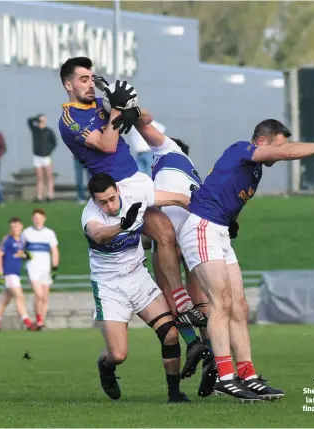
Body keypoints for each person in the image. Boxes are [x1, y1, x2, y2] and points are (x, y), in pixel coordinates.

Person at [179, 119, 314, 401]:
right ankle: (225, 377)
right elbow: (284, 153)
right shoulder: (241, 149)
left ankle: (247, 375)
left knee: (240, 305)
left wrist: (232, 220)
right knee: (221, 302)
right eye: (279, 143)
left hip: (219, 230)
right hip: (203, 226)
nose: (282, 151)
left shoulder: (255, 172)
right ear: (262, 141)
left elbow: (229, 195)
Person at [57, 56, 205, 327]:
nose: (90, 84)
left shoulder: (100, 103)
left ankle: (184, 312)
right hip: (116, 189)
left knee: (171, 229)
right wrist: (116, 109)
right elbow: (107, 145)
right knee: (166, 227)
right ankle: (183, 302)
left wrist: (133, 112)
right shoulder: (69, 119)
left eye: (91, 78)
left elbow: (147, 118)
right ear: (68, 85)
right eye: (83, 79)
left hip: (137, 179)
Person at [82, 173, 189, 402]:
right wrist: (123, 225)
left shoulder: (134, 195)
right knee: (119, 354)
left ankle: (174, 394)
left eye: (112, 198)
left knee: (170, 334)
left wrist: (214, 214)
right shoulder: (90, 215)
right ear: (93, 200)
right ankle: (106, 365)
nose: (109, 205)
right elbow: (98, 235)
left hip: (138, 277)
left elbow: (176, 199)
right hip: (109, 286)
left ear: (118, 190)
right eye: (102, 202)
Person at [133, 117, 213, 392]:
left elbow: (147, 222)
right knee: (201, 298)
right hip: (197, 231)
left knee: (169, 291)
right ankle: (212, 352)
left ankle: (192, 342)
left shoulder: (166, 155)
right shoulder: (194, 174)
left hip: (171, 227)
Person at [0, 217, 33, 331]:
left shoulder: (20, 241)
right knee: (20, 296)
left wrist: (25, 255)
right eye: (12, 227)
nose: (14, 229)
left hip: (15, 273)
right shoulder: (8, 240)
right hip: (9, 273)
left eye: (17, 226)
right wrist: (0, 272)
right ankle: (28, 323)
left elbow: (17, 254)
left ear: (21, 226)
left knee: (5, 300)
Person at [22, 208, 60, 331]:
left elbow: (54, 250)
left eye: (39, 218)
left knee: (44, 297)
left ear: (44, 218)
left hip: (45, 267)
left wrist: (54, 267)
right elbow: (20, 250)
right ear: (32, 219)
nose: (37, 220)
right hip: (32, 267)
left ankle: (40, 321)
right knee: (38, 295)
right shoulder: (27, 233)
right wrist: (25, 255)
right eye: (35, 218)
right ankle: (39, 320)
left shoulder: (49, 233)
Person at [27, 114, 57, 202]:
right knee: (39, 177)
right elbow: (29, 121)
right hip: (37, 157)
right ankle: (39, 196)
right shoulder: (35, 130)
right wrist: (36, 118)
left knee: (49, 176)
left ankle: (50, 195)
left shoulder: (49, 131)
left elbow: (54, 143)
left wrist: (49, 151)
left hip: (46, 157)